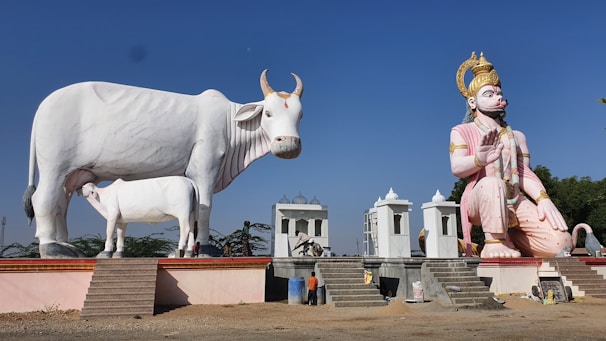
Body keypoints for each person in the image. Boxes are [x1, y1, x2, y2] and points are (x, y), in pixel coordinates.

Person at [450, 51, 573, 258]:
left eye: (499, 93)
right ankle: (494, 242)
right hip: (479, 200)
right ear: (472, 102)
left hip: (515, 199)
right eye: (489, 94)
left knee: (562, 244)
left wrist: (543, 199)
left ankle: (510, 240)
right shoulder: (462, 131)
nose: (497, 97)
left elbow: (523, 172)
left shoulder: (516, 136)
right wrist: (479, 159)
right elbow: (457, 168)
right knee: (492, 183)